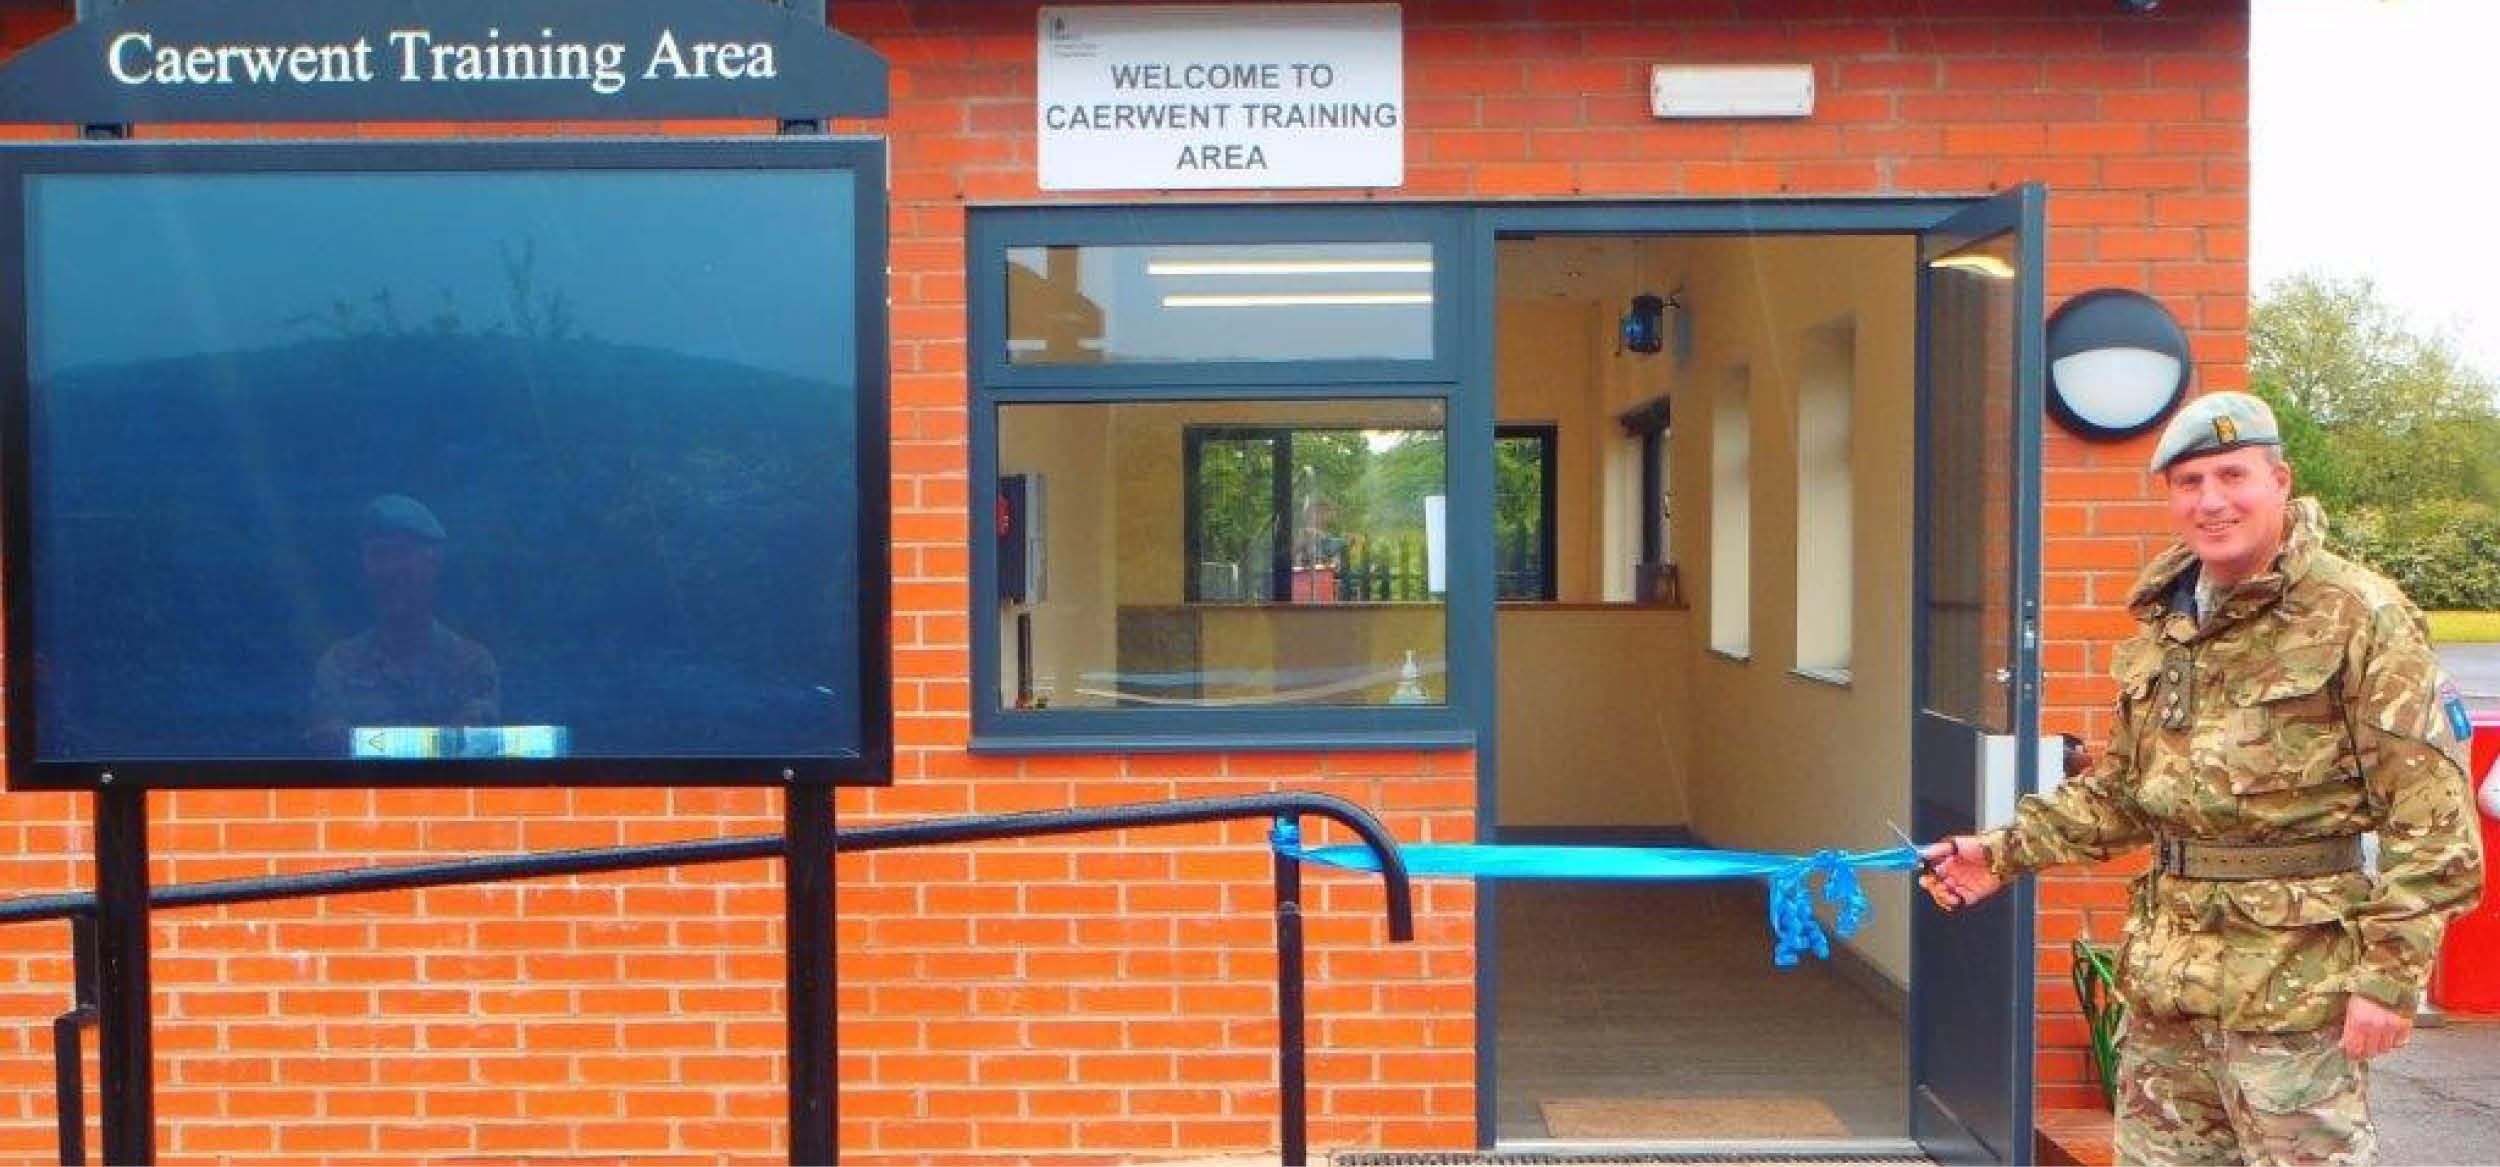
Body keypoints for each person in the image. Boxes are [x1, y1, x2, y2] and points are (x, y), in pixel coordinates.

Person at [1919, 392, 2484, 1166]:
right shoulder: (2171, 620)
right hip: (2169, 990)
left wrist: (2389, 978)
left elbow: (2436, 829)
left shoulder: (2359, 616)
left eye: (2232, 475)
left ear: (2280, 480)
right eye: (2189, 482)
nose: (2212, 500)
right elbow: (2125, 792)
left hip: (2297, 989)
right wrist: (2003, 851)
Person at [307, 494, 499, 753]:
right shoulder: (339, 666)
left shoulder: (471, 664)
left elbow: (474, 752)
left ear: (433, 564)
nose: (390, 569)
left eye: (403, 553)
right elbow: (328, 753)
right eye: (378, 554)